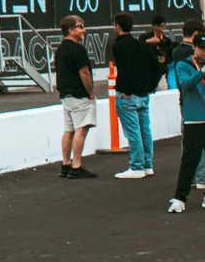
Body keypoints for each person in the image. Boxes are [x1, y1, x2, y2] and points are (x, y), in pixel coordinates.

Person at [167, 33, 205, 213]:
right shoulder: (183, 65)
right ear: (194, 47)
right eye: (202, 48)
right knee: (190, 159)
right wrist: (203, 70)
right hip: (194, 118)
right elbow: (185, 85)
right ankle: (180, 197)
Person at [109, 12, 160, 179]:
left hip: (128, 95)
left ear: (117, 25)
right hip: (143, 94)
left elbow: (125, 70)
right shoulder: (142, 45)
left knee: (133, 132)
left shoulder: (118, 46)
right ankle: (147, 165)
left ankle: (136, 166)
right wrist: (150, 86)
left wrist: (126, 89)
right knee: (145, 130)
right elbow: (157, 68)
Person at [53, 14, 98, 179]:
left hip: (66, 95)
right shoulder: (78, 49)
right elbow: (84, 72)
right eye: (80, 26)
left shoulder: (60, 49)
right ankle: (76, 165)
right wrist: (91, 92)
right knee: (81, 129)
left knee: (69, 130)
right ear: (70, 30)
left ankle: (66, 164)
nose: (83, 30)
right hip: (79, 95)